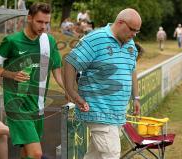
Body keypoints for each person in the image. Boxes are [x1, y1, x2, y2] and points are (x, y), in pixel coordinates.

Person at [0, 2, 64, 159]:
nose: (43, 26)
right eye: (39, 22)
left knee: (27, 153)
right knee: (36, 154)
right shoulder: (11, 41)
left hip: (38, 105)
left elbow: (56, 70)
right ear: (29, 18)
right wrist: (11, 74)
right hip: (17, 105)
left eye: (46, 23)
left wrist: (69, 90)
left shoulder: (49, 41)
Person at [64, 8, 141, 159]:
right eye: (132, 30)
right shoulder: (95, 38)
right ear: (120, 23)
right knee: (111, 153)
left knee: (95, 155)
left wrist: (136, 97)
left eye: (137, 31)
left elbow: (131, 70)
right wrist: (73, 93)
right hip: (98, 110)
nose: (134, 34)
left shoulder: (130, 43)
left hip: (117, 112)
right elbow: (70, 63)